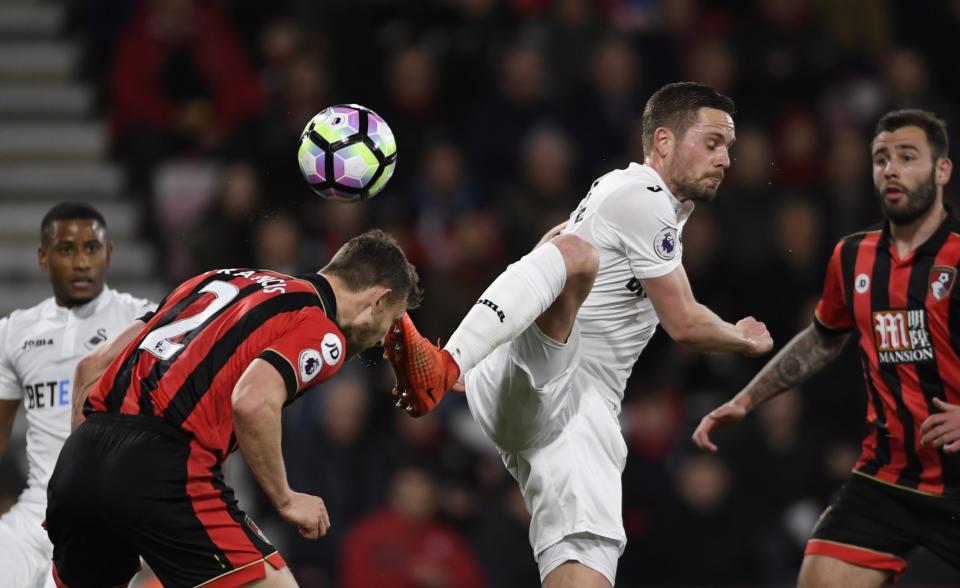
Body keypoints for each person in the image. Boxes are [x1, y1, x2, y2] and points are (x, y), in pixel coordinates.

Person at [384, 82, 774, 587]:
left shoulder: (623, 196)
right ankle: (446, 363)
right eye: (713, 142)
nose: (725, 159)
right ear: (663, 141)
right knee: (574, 258)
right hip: (562, 388)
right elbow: (684, 322)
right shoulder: (643, 196)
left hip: (568, 416)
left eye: (730, 148)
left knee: (584, 572)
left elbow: (545, 251)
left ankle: (459, 364)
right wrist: (741, 336)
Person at [46, 229, 421, 588]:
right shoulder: (320, 329)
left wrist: (80, 478)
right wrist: (286, 498)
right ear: (377, 301)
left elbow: (91, 367)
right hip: (163, 465)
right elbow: (253, 401)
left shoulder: (214, 281)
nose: (380, 340)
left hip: (80, 459)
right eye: (388, 324)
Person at [693, 109, 960, 585]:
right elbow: (822, 339)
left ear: (942, 170)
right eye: (881, 158)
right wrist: (746, 399)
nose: (891, 169)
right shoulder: (852, 256)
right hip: (886, 481)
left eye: (907, 156)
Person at [0, 203, 155, 587]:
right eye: (67, 250)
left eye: (92, 248)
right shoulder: (14, 332)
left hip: (104, 517)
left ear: (110, 254)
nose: (82, 261)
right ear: (42, 257)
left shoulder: (145, 321)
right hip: (34, 510)